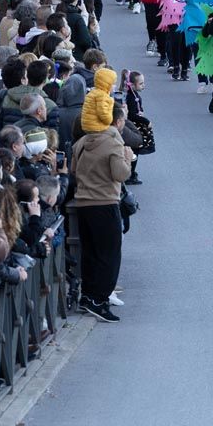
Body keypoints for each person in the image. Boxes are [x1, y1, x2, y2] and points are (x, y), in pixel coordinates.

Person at [70, 102, 132, 323]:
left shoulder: (83, 142)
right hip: (105, 202)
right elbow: (120, 174)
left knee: (91, 253)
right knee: (109, 255)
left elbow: (74, 170)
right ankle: (100, 300)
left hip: (84, 202)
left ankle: (88, 295)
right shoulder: (114, 143)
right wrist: (127, 157)